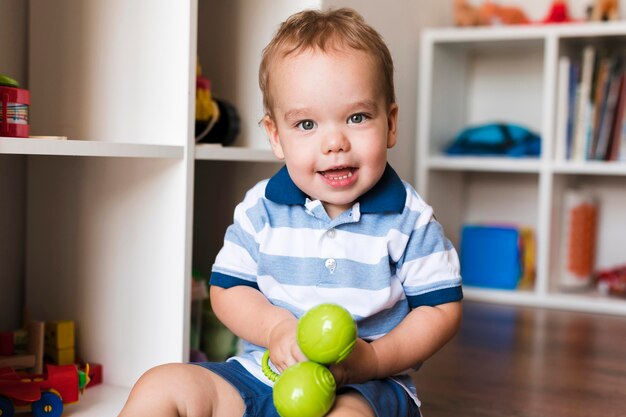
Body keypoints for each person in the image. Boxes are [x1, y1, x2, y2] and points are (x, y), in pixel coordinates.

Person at [118, 7, 462, 417]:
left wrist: (372, 360)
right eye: (306, 125)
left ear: (389, 124)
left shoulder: (409, 218)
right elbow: (229, 289)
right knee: (160, 384)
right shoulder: (261, 209)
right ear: (275, 136)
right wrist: (276, 328)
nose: (334, 142)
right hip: (262, 374)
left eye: (357, 117)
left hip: (366, 387)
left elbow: (440, 310)